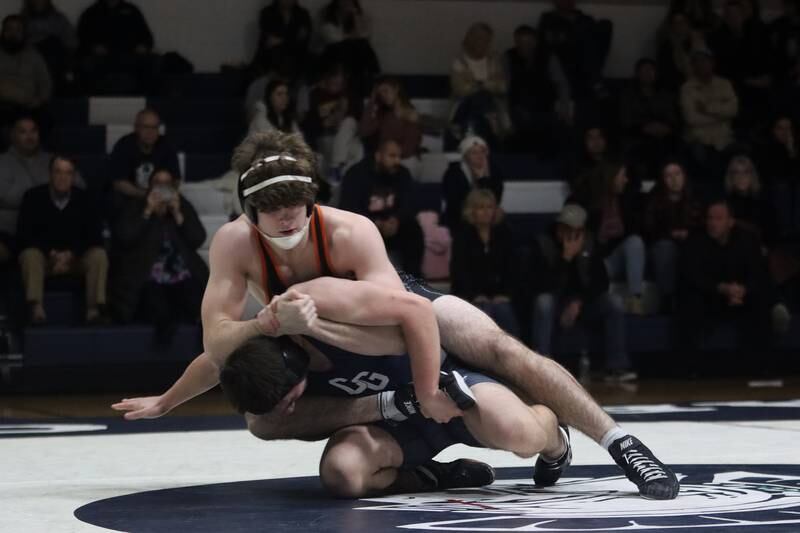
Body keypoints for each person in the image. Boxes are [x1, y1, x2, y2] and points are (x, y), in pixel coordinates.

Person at [112, 131, 680, 500]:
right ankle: (426, 467)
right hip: (326, 340)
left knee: (503, 349)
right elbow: (217, 344)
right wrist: (174, 395)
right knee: (261, 414)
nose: (287, 221)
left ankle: (617, 440)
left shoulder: (348, 233)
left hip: (406, 321)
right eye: (272, 210)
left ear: (311, 198)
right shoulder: (236, 246)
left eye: (296, 208)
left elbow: (404, 321)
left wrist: (314, 328)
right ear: (247, 206)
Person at [216, 285, 571, 497]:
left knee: (520, 435)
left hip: (447, 389)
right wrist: (165, 402)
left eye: (290, 399)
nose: (289, 407)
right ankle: (433, 476)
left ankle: (555, 439)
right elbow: (212, 361)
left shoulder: (334, 316)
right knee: (342, 473)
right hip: (396, 423)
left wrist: (426, 389)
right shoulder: (263, 362)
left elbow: (416, 319)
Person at [531, 203, 634, 382]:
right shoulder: (543, 244)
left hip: (583, 304)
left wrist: (579, 302)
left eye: (574, 230)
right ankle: (542, 368)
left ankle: (616, 366)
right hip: (555, 304)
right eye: (564, 228)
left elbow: (601, 284)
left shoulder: (591, 246)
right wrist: (565, 258)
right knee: (544, 301)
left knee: (614, 302)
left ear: (582, 231)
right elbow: (540, 285)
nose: (567, 233)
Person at [676, 199, 781, 363]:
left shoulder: (747, 240)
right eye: (710, 218)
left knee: (761, 300)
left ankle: (760, 363)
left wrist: (742, 290)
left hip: (740, 296)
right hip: (710, 297)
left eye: (718, 219)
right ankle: (689, 365)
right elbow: (692, 276)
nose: (712, 223)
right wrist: (721, 288)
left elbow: (759, 274)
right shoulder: (696, 240)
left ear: (730, 222)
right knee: (689, 302)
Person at [109, 168, 207, 342]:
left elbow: (198, 238)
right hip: (149, 275)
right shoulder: (137, 205)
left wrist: (178, 215)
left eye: (166, 184)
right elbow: (124, 237)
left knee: (195, 298)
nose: (162, 188)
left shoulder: (181, 205)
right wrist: (147, 212)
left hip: (181, 273)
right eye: (157, 184)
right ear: (149, 187)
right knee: (159, 306)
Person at [16, 155, 107, 325]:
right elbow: (24, 235)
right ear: (50, 174)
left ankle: (93, 311)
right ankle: (36, 308)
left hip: (75, 259)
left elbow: (95, 236)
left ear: (73, 176)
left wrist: (71, 254)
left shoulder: (85, 199)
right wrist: (51, 253)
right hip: (46, 259)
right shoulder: (33, 197)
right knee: (29, 255)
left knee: (98, 255)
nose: (62, 177)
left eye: (68, 173)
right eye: (58, 172)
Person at [0, 116, 85, 257]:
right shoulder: (2, 162)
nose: (29, 136)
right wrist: (48, 190)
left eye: (33, 131)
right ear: (12, 135)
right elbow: (5, 196)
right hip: (9, 232)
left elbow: (79, 186)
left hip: (49, 231)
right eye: (23, 132)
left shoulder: (52, 160)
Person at [569, 162, 647, 314]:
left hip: (614, 259)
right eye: (622, 176)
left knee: (635, 242)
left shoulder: (626, 200)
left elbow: (634, 230)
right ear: (610, 178)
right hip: (593, 263)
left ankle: (635, 298)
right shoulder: (586, 201)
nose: (626, 180)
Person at [450, 189, 519, 337]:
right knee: (482, 310)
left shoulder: (504, 234)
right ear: (472, 211)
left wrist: (504, 294)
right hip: (471, 295)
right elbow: (459, 271)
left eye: (490, 207)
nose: (486, 212)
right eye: (481, 208)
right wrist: (474, 294)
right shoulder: (463, 237)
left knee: (503, 310)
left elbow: (512, 269)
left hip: (500, 294)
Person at [643, 160, 703, 310]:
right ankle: (668, 300)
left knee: (696, 246)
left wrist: (688, 234)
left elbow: (704, 226)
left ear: (684, 175)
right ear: (662, 180)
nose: (674, 179)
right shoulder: (654, 200)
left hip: (689, 245)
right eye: (668, 175)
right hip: (661, 248)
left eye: (677, 174)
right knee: (665, 247)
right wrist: (671, 234)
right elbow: (648, 229)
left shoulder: (696, 198)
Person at [504, 25, 572, 156]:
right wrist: (505, 116)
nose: (524, 47)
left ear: (535, 41)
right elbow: (505, 89)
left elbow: (562, 84)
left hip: (544, 109)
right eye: (520, 43)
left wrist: (565, 110)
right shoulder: (508, 57)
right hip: (518, 110)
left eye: (528, 43)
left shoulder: (548, 57)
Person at [448, 23, 510, 149]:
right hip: (464, 107)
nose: (482, 43)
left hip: (493, 105)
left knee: (484, 99)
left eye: (486, 39)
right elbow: (460, 90)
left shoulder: (494, 61)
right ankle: (490, 127)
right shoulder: (459, 62)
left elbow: (502, 86)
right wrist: (486, 86)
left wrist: (479, 84)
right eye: (478, 38)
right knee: (479, 99)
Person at [680, 48, 739, 179]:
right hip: (699, 139)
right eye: (698, 61)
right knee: (702, 159)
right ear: (693, 65)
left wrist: (707, 109)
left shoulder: (725, 84)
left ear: (712, 63)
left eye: (705, 60)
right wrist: (722, 115)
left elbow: (733, 110)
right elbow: (691, 118)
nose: (702, 64)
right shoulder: (687, 88)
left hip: (724, 137)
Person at [76, 0, 155, 94]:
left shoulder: (132, 10)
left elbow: (147, 38)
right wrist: (92, 47)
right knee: (86, 64)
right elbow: (82, 38)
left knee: (152, 62)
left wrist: (144, 46)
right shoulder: (91, 12)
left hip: (130, 55)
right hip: (102, 58)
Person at [538, 0, 613, 99]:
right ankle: (595, 82)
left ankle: (595, 81)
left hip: (582, 60)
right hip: (560, 57)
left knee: (603, 26)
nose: (566, 3)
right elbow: (544, 43)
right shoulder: (548, 19)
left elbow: (595, 44)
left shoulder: (585, 20)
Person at [109, 109, 180, 201]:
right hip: (130, 198)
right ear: (136, 128)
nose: (150, 132)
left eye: (154, 127)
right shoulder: (124, 145)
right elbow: (119, 183)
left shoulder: (166, 145)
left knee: (184, 207)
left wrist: (164, 195)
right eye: (146, 127)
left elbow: (175, 180)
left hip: (161, 198)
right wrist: (147, 195)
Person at [338, 138, 413, 218]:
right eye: (392, 156)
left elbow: (407, 204)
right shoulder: (357, 174)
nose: (397, 161)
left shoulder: (402, 174)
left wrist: (396, 220)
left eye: (400, 157)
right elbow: (349, 207)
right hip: (364, 222)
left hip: (392, 224)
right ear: (378, 156)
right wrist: (375, 223)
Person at [441, 136, 504, 231]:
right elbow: (456, 205)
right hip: (459, 221)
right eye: (474, 153)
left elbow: (494, 200)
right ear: (465, 156)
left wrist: (483, 179)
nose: (480, 156)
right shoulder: (453, 173)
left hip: (487, 220)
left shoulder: (494, 172)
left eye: (482, 152)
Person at [0, 14, 52, 128]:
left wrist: (39, 100)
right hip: (3, 106)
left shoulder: (34, 55)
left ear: (24, 33)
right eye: (9, 29)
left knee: (45, 119)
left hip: (29, 107)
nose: (13, 34)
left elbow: (45, 84)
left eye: (18, 30)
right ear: (3, 32)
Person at [359, 76, 422, 166]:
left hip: (401, 160)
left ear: (396, 89)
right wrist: (372, 100)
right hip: (384, 160)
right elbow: (364, 130)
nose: (383, 96)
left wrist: (390, 156)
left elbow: (409, 148)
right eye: (380, 93)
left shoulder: (410, 114)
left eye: (386, 91)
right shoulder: (383, 114)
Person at [756, 115, 800, 239]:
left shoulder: (795, 146)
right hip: (775, 183)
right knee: (782, 187)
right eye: (781, 128)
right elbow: (770, 170)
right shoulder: (766, 146)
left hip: (793, 182)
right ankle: (785, 230)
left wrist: (791, 151)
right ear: (774, 130)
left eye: (788, 128)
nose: (785, 132)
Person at [20, 0, 78, 95]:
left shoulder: (59, 19)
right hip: (31, 58)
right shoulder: (22, 20)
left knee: (53, 44)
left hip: (56, 58)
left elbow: (72, 43)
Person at [367, 189, 424, 278]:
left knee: (413, 227)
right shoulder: (358, 177)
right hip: (368, 226)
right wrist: (376, 223)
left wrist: (397, 219)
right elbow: (350, 209)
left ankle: (412, 279)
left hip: (399, 227)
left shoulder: (403, 176)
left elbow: (410, 204)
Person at [251, 0, 312, 81]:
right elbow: (270, 39)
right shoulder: (267, 12)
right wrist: (293, 37)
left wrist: (282, 40)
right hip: (271, 56)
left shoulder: (303, 14)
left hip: (295, 57)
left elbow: (304, 40)